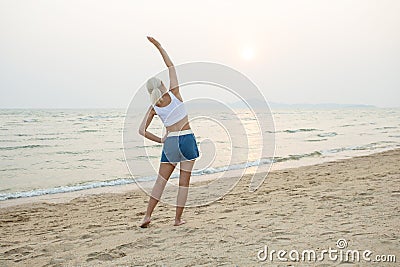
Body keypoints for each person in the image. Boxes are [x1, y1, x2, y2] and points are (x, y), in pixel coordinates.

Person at [138, 36, 199, 227]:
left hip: (171, 142)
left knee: (160, 183)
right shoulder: (175, 92)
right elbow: (171, 66)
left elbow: (141, 130)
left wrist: (161, 140)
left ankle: (147, 216)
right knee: (183, 183)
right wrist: (159, 47)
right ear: (162, 85)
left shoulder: (154, 107)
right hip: (187, 139)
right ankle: (177, 220)